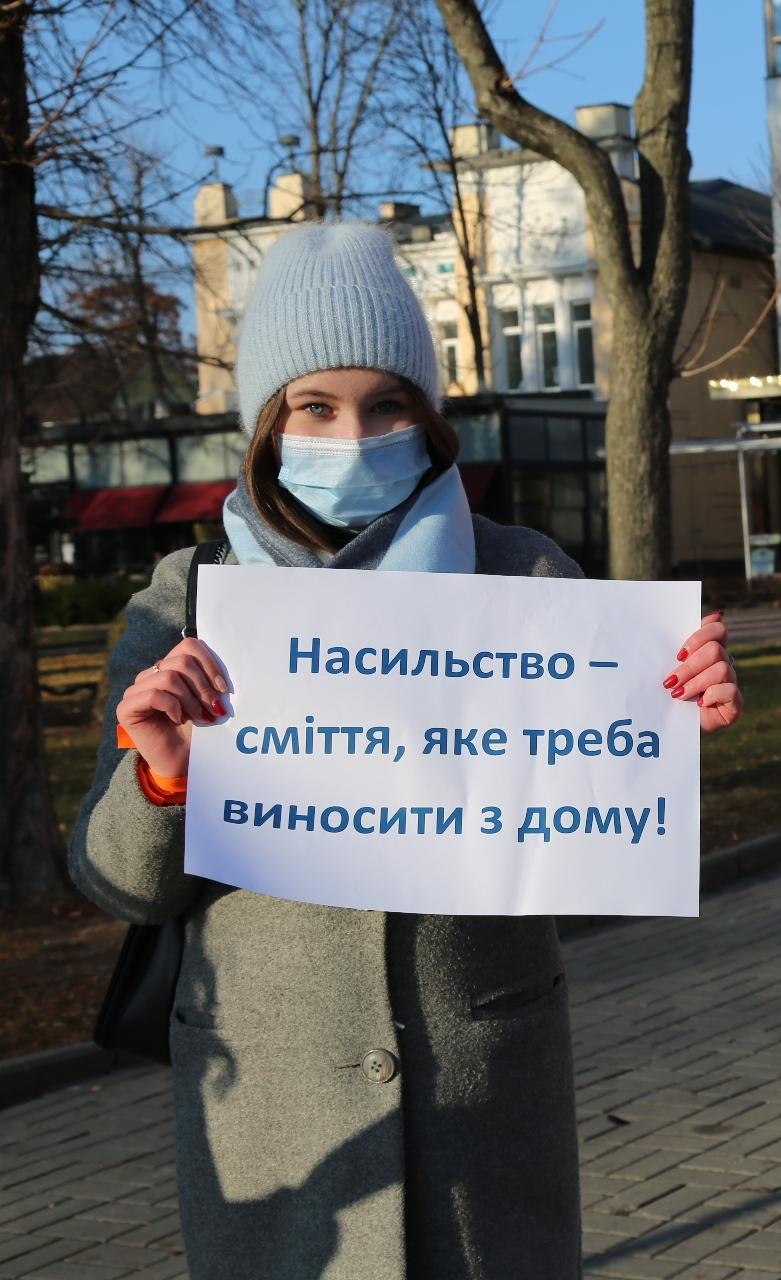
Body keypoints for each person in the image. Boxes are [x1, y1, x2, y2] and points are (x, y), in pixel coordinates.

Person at [68, 223, 742, 1279]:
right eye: (316, 407)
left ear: (427, 419)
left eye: (387, 405)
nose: (354, 434)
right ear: (267, 425)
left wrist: (663, 730)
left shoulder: (524, 582)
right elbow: (117, 884)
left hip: (481, 1105)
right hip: (279, 1127)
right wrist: (161, 775)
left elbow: (590, 862)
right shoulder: (184, 602)